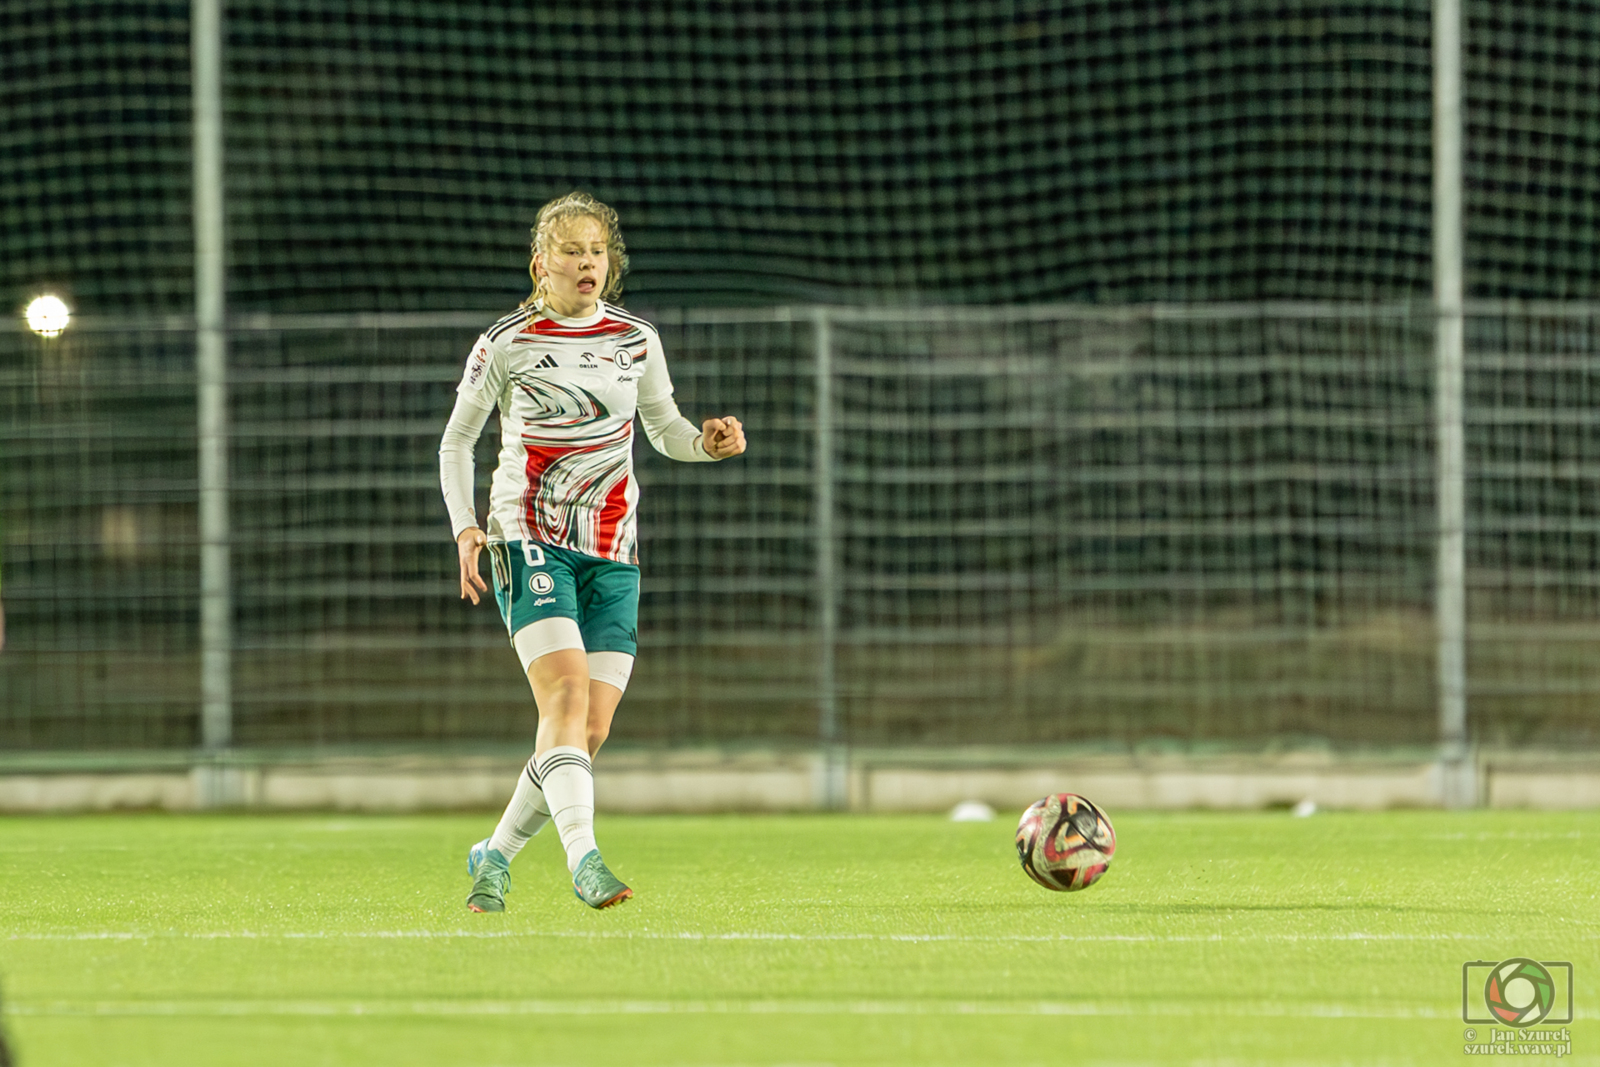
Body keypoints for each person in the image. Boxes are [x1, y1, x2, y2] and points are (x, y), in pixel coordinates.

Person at [439, 192, 746, 912]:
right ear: (541, 264)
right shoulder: (506, 342)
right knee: (567, 694)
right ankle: (587, 862)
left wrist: (706, 444)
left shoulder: (635, 338)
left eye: (597, 251)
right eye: (572, 251)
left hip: (612, 547)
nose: (587, 263)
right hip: (527, 535)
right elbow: (458, 439)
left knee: (589, 727)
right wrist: (465, 526)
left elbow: (665, 427)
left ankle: (496, 853)